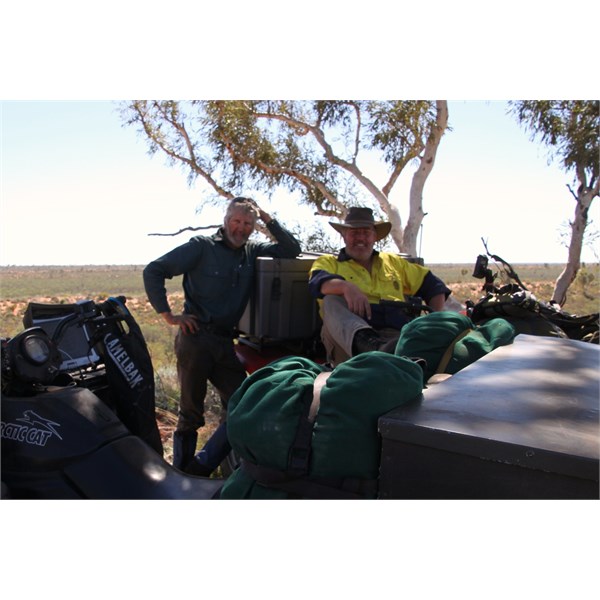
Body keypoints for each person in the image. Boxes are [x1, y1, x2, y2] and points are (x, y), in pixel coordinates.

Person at [143, 197, 301, 474]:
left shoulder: (252, 251)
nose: (241, 228)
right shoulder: (201, 247)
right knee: (191, 412)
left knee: (245, 401)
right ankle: (180, 474)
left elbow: (292, 249)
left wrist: (267, 216)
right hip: (195, 339)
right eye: (237, 221)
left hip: (225, 342)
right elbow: (154, 270)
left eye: (248, 224)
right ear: (226, 220)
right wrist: (168, 315)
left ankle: (202, 468)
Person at [308, 207, 451, 365]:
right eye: (354, 232)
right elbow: (318, 283)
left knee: (453, 324)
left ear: (375, 236)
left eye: (366, 232)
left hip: (397, 339)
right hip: (348, 345)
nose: (360, 238)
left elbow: (433, 285)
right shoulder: (329, 262)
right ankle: (373, 349)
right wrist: (346, 287)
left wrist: (433, 322)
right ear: (344, 236)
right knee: (331, 301)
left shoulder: (393, 262)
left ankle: (395, 357)